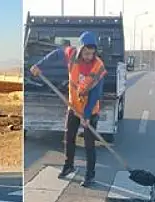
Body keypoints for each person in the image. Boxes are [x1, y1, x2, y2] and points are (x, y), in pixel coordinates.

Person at [30, 31, 107, 187]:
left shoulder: (98, 67)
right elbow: (56, 54)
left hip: (90, 111)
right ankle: (68, 165)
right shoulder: (71, 54)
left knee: (89, 144)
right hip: (73, 107)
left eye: (91, 53)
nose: (88, 56)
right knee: (69, 138)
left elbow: (95, 94)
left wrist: (86, 115)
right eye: (86, 53)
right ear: (80, 49)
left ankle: (90, 175)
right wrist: (40, 65)